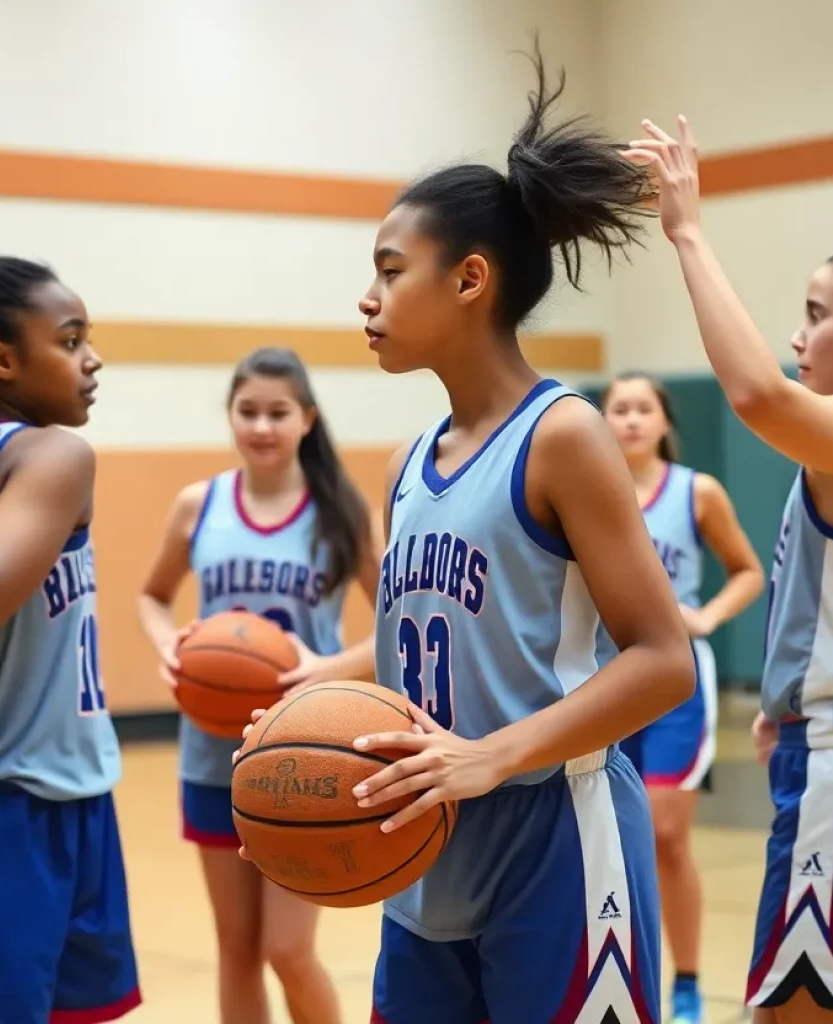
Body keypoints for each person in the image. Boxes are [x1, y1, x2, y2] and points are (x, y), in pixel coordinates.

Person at [241, 44, 696, 1024]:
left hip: (554, 838)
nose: (367, 296)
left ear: (470, 280)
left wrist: (493, 753)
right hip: (424, 847)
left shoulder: (562, 434)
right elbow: (436, 635)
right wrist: (305, 699)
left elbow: (663, 661)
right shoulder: (413, 461)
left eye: (390, 270)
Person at [626, 119, 833, 1022]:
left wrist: (687, 230)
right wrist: (790, 706)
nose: (796, 338)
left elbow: (759, 395)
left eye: (814, 313)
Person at [0, 223, 140, 1023]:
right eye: (70, 340)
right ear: (0, 360)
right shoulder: (45, 457)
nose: (93, 359)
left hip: (79, 792)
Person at [138, 346, 380, 1024]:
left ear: (308, 419)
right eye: (248, 412)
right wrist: (171, 647)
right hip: (213, 756)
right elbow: (152, 597)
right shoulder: (198, 504)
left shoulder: (340, 510)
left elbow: (401, 617)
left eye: (278, 412)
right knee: (236, 949)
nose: (262, 426)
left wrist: (328, 669)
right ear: (230, 418)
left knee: (288, 950)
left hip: (307, 756)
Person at [602, 371, 764, 1023]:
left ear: (665, 422)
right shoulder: (587, 488)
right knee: (608, 839)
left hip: (673, 681)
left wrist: (709, 616)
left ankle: (689, 981)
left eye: (645, 408)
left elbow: (748, 570)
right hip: (600, 681)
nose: (633, 419)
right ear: (604, 422)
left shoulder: (698, 492)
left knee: (666, 835)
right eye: (620, 409)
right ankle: (620, 973)